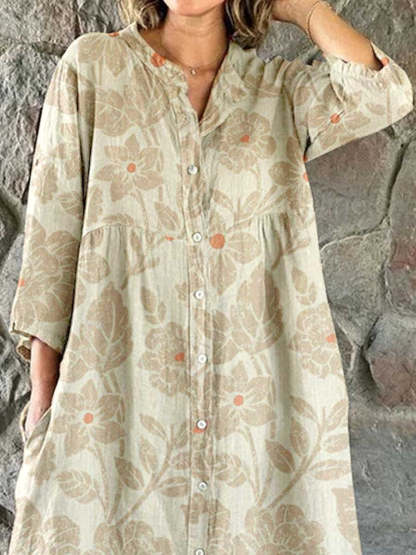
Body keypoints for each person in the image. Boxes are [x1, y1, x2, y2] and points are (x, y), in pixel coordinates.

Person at [7, 0, 413, 553]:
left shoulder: (278, 92)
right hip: (115, 407)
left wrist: (301, 9)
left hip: (256, 415)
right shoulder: (94, 67)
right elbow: (52, 241)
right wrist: (43, 405)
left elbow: (384, 92)